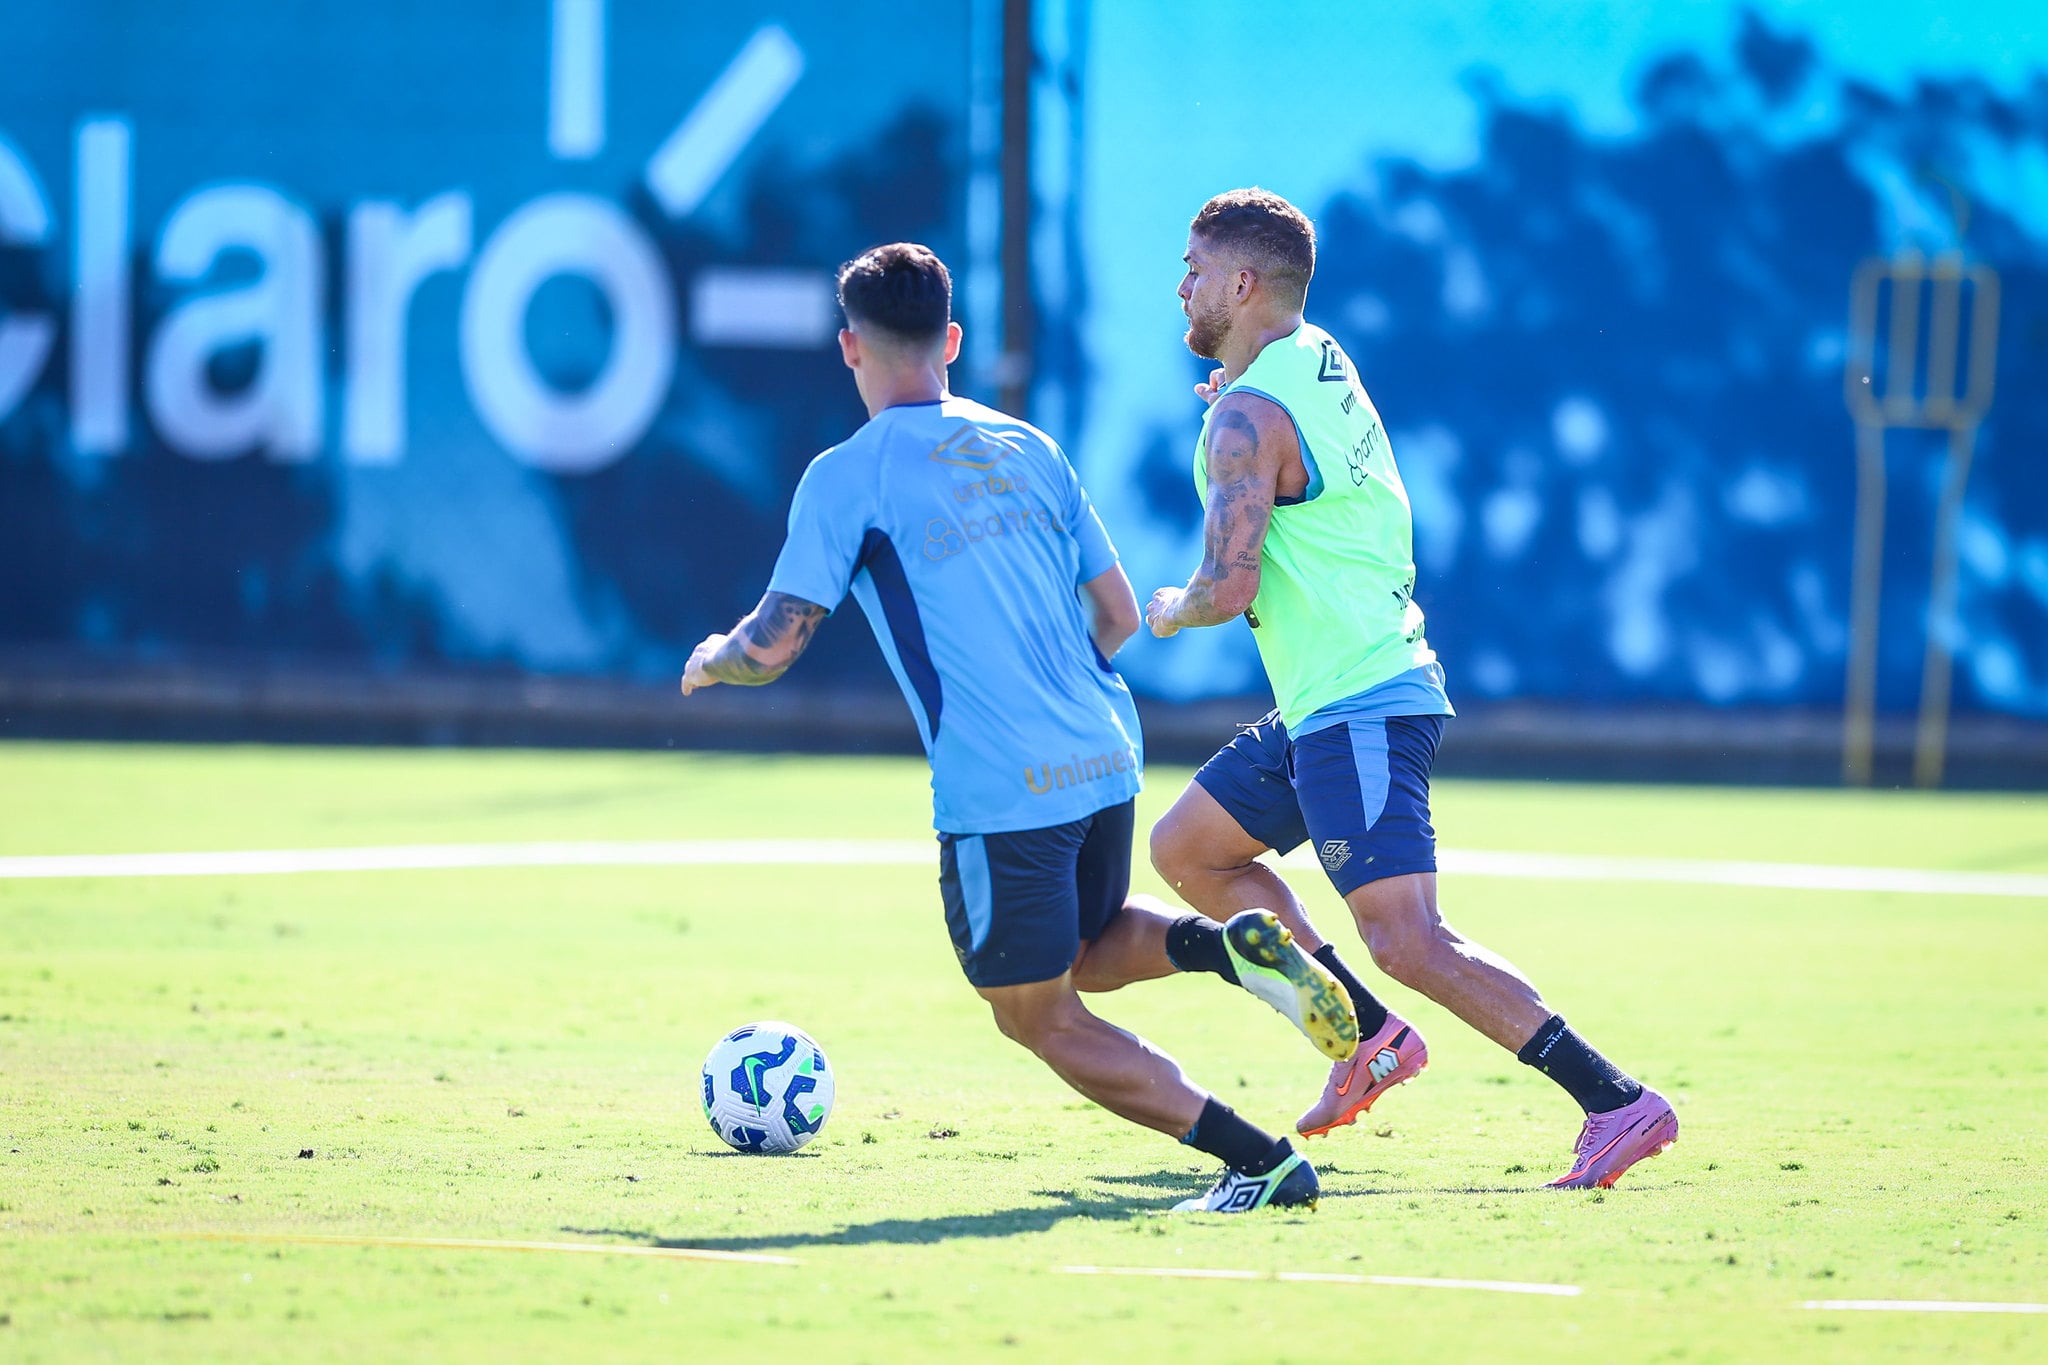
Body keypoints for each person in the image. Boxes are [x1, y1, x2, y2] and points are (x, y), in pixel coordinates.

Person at [681, 241, 1359, 1212]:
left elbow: (772, 644)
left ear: (848, 350)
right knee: (1083, 945)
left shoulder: (846, 475)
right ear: (950, 339)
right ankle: (1226, 945)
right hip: (1104, 753)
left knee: (1035, 1015)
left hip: (1002, 785)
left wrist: (711, 659)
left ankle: (1259, 1161)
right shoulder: (1027, 445)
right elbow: (1119, 615)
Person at [1143, 190, 1678, 1190]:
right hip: (1326, 702)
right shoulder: (1305, 357)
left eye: (1195, 267)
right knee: (1189, 851)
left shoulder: (1247, 416)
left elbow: (1228, 587)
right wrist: (1232, 392)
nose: (1181, 284)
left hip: (1361, 698)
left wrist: (1167, 607)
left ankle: (1614, 1100)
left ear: (1244, 283)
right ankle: (1366, 1035)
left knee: (1407, 937)